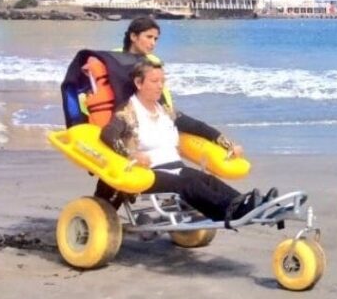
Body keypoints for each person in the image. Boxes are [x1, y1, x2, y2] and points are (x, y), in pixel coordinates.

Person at [100, 61, 272, 222]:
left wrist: (228, 144)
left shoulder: (165, 111)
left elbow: (197, 126)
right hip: (149, 173)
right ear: (138, 83)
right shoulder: (127, 112)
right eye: (154, 81)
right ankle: (232, 212)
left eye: (162, 81)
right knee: (188, 184)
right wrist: (131, 154)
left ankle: (248, 204)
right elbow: (108, 135)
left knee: (206, 180)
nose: (160, 86)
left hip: (176, 168)